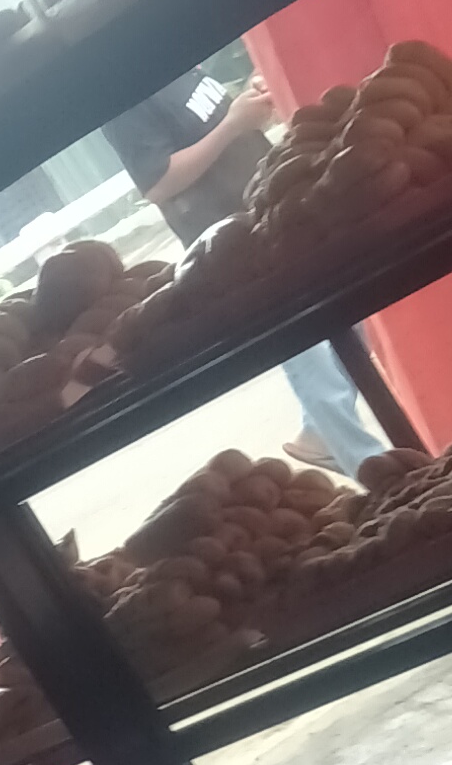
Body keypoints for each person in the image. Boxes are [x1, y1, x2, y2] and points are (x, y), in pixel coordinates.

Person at [106, 65, 389, 477]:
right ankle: (370, 467)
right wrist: (233, 124)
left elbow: (212, 123)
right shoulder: (123, 97)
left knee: (345, 315)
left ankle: (318, 434)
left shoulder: (177, 67)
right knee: (308, 350)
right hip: (231, 244)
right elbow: (158, 182)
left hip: (268, 205)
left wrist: (248, 105)